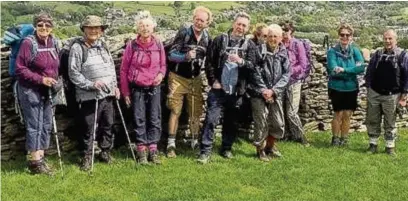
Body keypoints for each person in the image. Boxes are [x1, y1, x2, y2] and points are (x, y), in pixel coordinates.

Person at [197, 12, 257, 164]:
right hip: (218, 89)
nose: (240, 27)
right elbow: (209, 62)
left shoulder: (249, 45)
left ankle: (226, 148)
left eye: (244, 25)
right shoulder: (220, 40)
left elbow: (252, 67)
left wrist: (240, 61)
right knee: (211, 119)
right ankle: (205, 151)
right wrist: (213, 81)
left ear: (248, 28)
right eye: (239, 24)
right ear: (233, 24)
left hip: (236, 90)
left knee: (231, 121)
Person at [68, 15, 120, 171]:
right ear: (84, 29)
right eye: (90, 28)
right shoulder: (78, 48)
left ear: (101, 31)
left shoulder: (103, 46)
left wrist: (115, 86)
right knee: (88, 127)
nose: (94, 31)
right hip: (88, 95)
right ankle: (87, 155)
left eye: (97, 28)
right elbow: (73, 73)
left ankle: (105, 152)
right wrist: (91, 84)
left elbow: (111, 68)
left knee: (108, 124)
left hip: (107, 94)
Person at [15, 12, 59, 175]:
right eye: (40, 24)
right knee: (34, 125)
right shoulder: (28, 43)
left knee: (46, 123)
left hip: (48, 89)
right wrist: (41, 79)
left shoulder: (54, 42)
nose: (44, 28)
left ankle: (41, 157)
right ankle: (34, 162)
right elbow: (20, 69)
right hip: (30, 89)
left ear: (52, 27)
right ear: (35, 26)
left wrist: (54, 80)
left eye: (47, 25)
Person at [120, 11, 166, 164]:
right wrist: (125, 92)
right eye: (142, 26)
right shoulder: (132, 45)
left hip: (154, 87)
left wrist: (160, 75)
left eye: (147, 25)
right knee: (139, 118)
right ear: (137, 29)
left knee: (154, 117)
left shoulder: (158, 44)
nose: (145, 28)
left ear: (153, 27)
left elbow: (163, 65)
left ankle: (153, 150)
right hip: (137, 87)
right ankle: (141, 151)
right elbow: (124, 69)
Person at [166, 6, 212, 158]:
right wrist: (185, 56)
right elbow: (171, 54)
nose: (199, 23)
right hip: (178, 77)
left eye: (202, 20)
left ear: (207, 23)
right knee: (175, 109)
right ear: (193, 19)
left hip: (196, 78)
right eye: (197, 19)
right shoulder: (184, 32)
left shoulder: (207, 37)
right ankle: (171, 144)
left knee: (195, 111)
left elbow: (210, 58)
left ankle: (194, 140)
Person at [248, 24, 290, 161]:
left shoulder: (283, 53)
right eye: (270, 36)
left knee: (277, 122)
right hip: (258, 93)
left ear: (280, 38)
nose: (272, 39)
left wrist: (274, 91)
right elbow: (255, 71)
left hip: (276, 92)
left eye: (275, 36)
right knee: (261, 122)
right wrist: (264, 90)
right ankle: (260, 151)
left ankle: (270, 147)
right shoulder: (258, 51)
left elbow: (287, 74)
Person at [365, 29, 408, 155]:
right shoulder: (378, 54)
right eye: (385, 38)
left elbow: (406, 75)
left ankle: (390, 147)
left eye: (390, 39)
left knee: (390, 121)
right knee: (372, 119)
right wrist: (368, 88)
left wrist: (404, 94)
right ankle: (373, 144)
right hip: (375, 92)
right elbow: (370, 72)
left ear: (396, 40)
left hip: (392, 95)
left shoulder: (402, 55)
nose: (388, 41)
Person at [326, 24, 365, 146]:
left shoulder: (355, 51)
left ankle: (344, 139)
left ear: (351, 36)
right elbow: (332, 69)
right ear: (339, 36)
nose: (345, 37)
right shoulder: (332, 51)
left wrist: (344, 70)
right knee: (338, 113)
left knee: (348, 114)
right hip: (336, 87)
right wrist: (351, 71)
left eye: (347, 35)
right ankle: (335, 139)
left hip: (351, 88)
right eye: (342, 34)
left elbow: (361, 68)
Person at [280, 21, 309, 146]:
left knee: (291, 111)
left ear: (291, 32)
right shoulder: (280, 45)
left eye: (286, 31)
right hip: (280, 82)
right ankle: (286, 135)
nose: (284, 34)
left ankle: (301, 137)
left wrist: (290, 71)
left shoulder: (297, 45)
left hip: (294, 81)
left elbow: (303, 64)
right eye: (283, 31)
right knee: (281, 110)